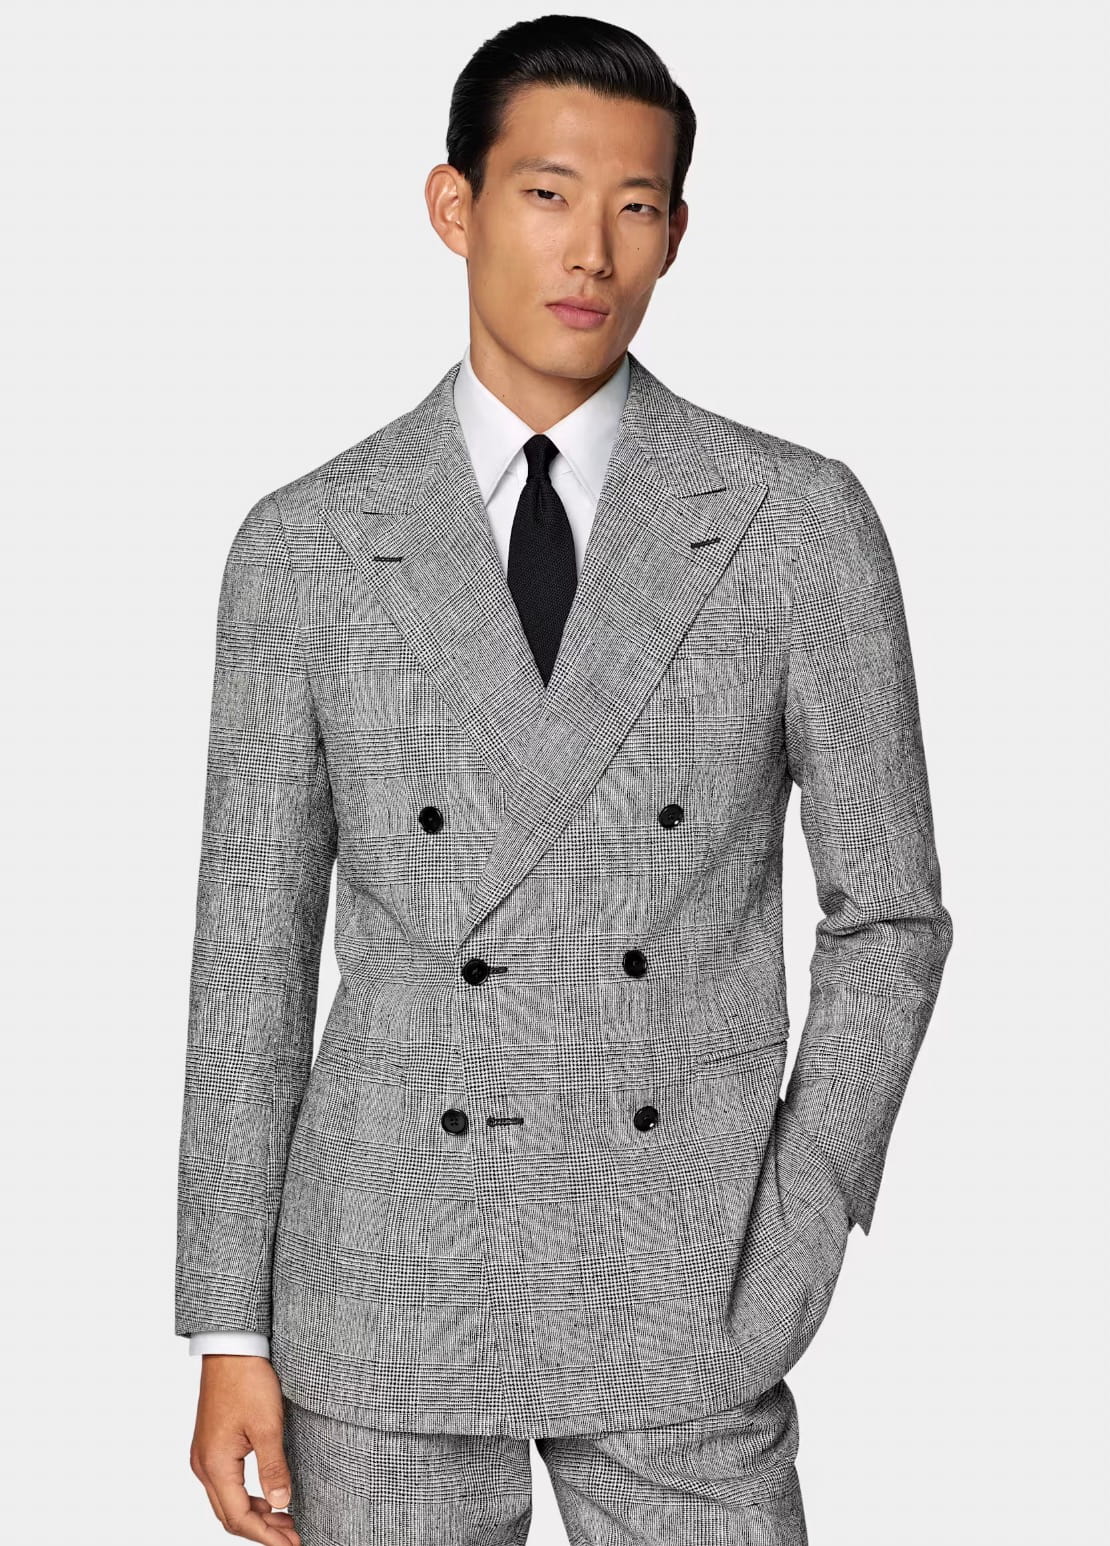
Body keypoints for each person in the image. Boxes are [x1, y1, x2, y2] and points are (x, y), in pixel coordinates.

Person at [176, 14, 954, 1544]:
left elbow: (889, 918)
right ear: (454, 206)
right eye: (545, 194)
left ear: (676, 232)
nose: (591, 249)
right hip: (382, 1288)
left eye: (635, 205)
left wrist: (798, 1212)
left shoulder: (792, 522)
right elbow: (248, 958)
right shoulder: (307, 542)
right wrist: (226, 1326)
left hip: (685, 1275)